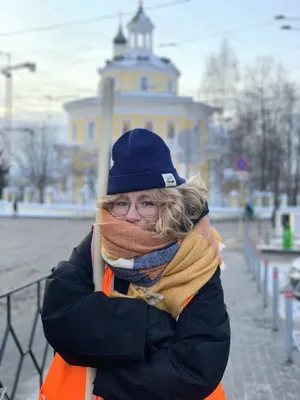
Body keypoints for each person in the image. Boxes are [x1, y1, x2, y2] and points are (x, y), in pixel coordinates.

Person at [40, 128, 230, 400]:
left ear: (168, 204)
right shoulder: (100, 241)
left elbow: (196, 367)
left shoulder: (196, 257)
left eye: (146, 202)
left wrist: (106, 370)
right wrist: (151, 327)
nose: (131, 215)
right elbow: (60, 316)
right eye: (121, 203)